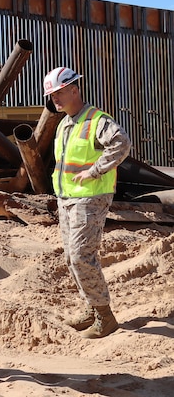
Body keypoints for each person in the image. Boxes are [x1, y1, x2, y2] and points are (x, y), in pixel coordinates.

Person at [44, 67, 131, 339]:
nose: (55, 99)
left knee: (82, 255)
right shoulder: (64, 124)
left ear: (74, 89)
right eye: (52, 95)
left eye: (59, 93)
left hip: (90, 197)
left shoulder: (97, 120)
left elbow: (122, 144)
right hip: (68, 198)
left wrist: (94, 171)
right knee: (72, 257)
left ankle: (105, 317)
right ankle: (91, 307)